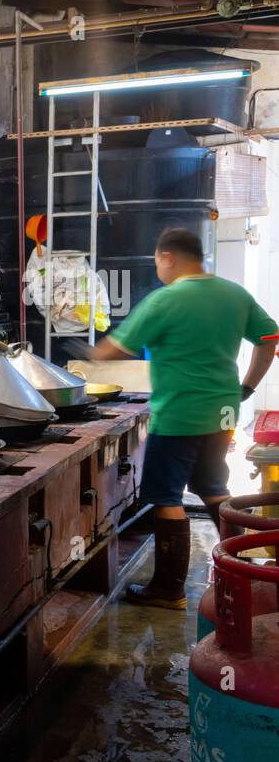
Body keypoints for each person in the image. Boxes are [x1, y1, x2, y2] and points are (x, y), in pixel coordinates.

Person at [90, 227, 277, 609]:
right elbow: (270, 340)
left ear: (168, 257)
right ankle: (239, 564)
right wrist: (249, 386)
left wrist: (90, 352)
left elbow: (111, 351)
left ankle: (168, 589)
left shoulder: (165, 300)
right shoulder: (234, 294)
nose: (157, 267)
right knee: (212, 485)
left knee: (166, 496)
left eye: (157, 260)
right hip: (224, 409)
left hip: (178, 414)